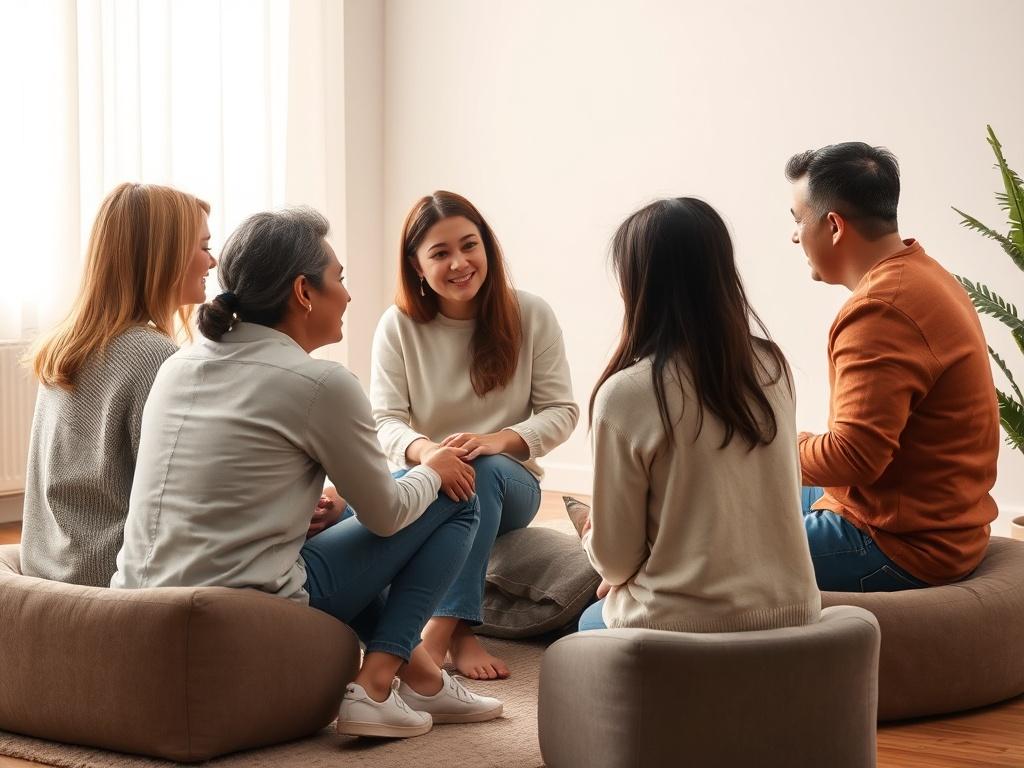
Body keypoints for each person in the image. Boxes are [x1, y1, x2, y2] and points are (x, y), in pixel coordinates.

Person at [110, 207, 502, 739]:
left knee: (352, 520)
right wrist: (433, 466)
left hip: (135, 607)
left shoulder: (178, 364)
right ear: (303, 292)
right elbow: (388, 518)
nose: (347, 294)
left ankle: (426, 677)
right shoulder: (319, 382)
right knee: (457, 497)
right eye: (338, 278)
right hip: (248, 612)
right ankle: (376, 685)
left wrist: (342, 504)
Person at [578, 197, 820, 633]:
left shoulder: (625, 394)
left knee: (587, 623)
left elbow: (615, 563)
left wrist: (593, 537)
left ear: (637, 284)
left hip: (683, 628)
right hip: (794, 616)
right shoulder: (772, 366)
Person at [370, 191, 578, 679]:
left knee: (479, 468)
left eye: (469, 246)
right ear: (417, 266)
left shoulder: (531, 313)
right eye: (440, 254)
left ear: (488, 247)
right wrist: (428, 453)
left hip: (508, 485)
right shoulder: (397, 325)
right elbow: (384, 421)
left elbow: (561, 411)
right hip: (425, 481)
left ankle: (437, 631)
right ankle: (462, 635)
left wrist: (497, 440)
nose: (460, 263)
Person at [786, 142, 999, 591]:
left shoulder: (880, 309)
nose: (793, 237)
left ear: (833, 226)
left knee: (705, 546)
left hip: (900, 544)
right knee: (732, 501)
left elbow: (853, 456)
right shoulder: (924, 273)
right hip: (927, 522)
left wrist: (768, 446)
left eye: (797, 220)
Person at [20, 182, 213, 587]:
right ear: (166, 257)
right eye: (203, 246)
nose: (211, 262)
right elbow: (182, 506)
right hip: (111, 587)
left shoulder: (64, 346)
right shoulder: (153, 357)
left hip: (51, 578)